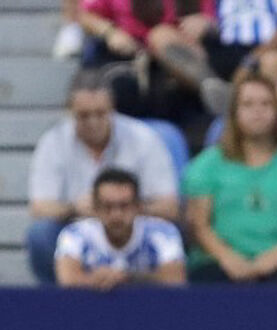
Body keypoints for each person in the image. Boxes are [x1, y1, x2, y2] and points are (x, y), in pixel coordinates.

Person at [27, 71, 179, 286]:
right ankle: (55, 303)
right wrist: (73, 209)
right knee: (40, 235)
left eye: (100, 113)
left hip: (133, 230)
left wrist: (121, 209)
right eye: (84, 115)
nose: (93, 122)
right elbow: (39, 208)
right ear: (69, 112)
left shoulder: (144, 139)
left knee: (169, 233)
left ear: (113, 109)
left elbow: (170, 207)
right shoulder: (52, 143)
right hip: (76, 231)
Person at [184, 70, 277, 281]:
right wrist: (228, 258)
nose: (258, 111)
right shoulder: (207, 164)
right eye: (248, 104)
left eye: (266, 104)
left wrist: (275, 257)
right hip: (218, 262)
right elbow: (199, 225)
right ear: (234, 112)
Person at [77, 0, 233, 117]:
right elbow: (86, 16)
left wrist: (204, 22)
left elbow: (216, 18)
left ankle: (214, 91)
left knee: (161, 36)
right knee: (159, 36)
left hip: (186, 51)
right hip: (133, 57)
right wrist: (110, 32)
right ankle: (210, 85)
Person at [53, 168, 186, 289]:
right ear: (95, 208)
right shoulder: (75, 234)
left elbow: (175, 280)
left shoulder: (163, 233)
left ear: (138, 207)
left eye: (124, 206)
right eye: (107, 206)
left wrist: (128, 277)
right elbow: (67, 281)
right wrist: (94, 280)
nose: (116, 215)